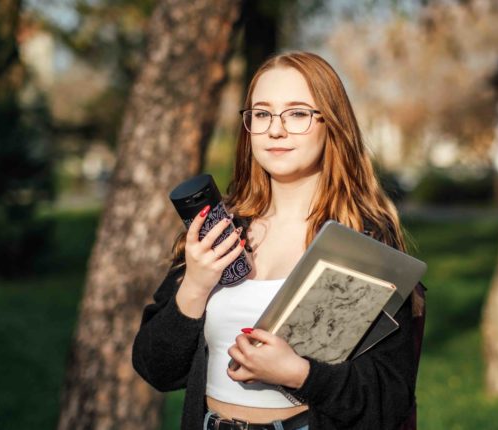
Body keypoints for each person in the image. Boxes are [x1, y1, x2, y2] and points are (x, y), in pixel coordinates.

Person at [132, 51, 426, 430]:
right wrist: (194, 286)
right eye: (262, 113)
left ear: (331, 124)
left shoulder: (362, 246)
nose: (275, 130)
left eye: (298, 113)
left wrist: (301, 374)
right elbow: (156, 369)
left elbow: (389, 400)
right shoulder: (220, 232)